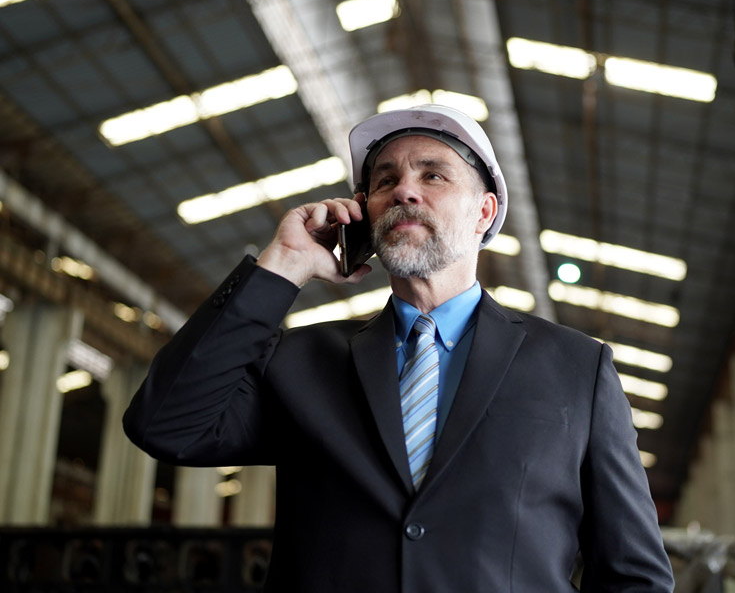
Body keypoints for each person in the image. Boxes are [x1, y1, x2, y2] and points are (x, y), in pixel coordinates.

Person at [123, 104, 674, 592]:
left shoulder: (577, 368)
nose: (404, 190)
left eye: (433, 175)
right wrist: (282, 267)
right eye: (386, 180)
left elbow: (634, 573)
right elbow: (167, 425)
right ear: (367, 212)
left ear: (484, 213)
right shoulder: (300, 362)